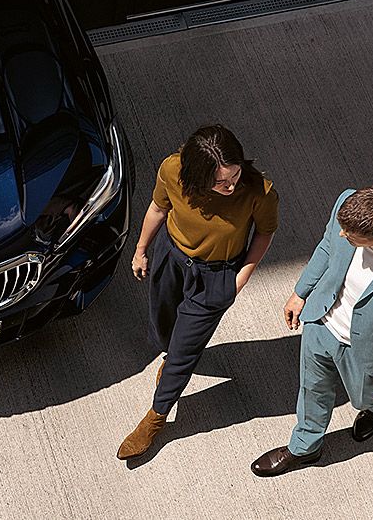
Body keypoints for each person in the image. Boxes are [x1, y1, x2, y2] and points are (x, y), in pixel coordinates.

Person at [251, 186, 373, 477]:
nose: (343, 235)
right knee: (312, 390)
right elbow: (327, 247)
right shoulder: (347, 203)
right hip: (322, 324)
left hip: (369, 351)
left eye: (351, 236)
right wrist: (301, 292)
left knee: (366, 398)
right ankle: (305, 447)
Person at [118, 125, 278, 460]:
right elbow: (158, 209)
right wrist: (141, 249)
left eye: (234, 175)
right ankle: (169, 358)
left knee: (184, 351)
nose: (231, 185)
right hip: (170, 256)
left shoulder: (259, 192)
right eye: (222, 182)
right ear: (196, 174)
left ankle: (156, 416)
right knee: (162, 326)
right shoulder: (172, 170)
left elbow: (264, 233)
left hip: (215, 275)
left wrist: (239, 280)